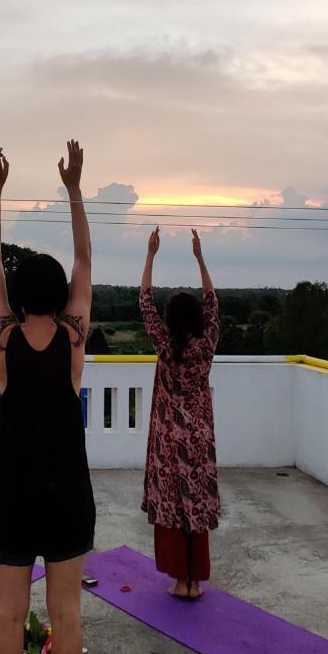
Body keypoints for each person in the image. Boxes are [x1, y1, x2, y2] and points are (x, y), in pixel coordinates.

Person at [0, 143, 95, 654]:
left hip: (11, 492)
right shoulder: (75, 338)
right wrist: (73, 188)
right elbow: (84, 257)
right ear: (60, 296)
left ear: (19, 299)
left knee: (7, 616)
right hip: (67, 490)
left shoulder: (3, 338)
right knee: (67, 615)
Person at [139, 226, 220, 599]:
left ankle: (179, 581)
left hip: (168, 444)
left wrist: (151, 255)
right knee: (195, 508)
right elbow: (213, 299)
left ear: (170, 320)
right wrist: (200, 256)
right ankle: (195, 582)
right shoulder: (205, 346)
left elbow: (144, 300)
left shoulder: (165, 346)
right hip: (199, 441)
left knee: (173, 509)